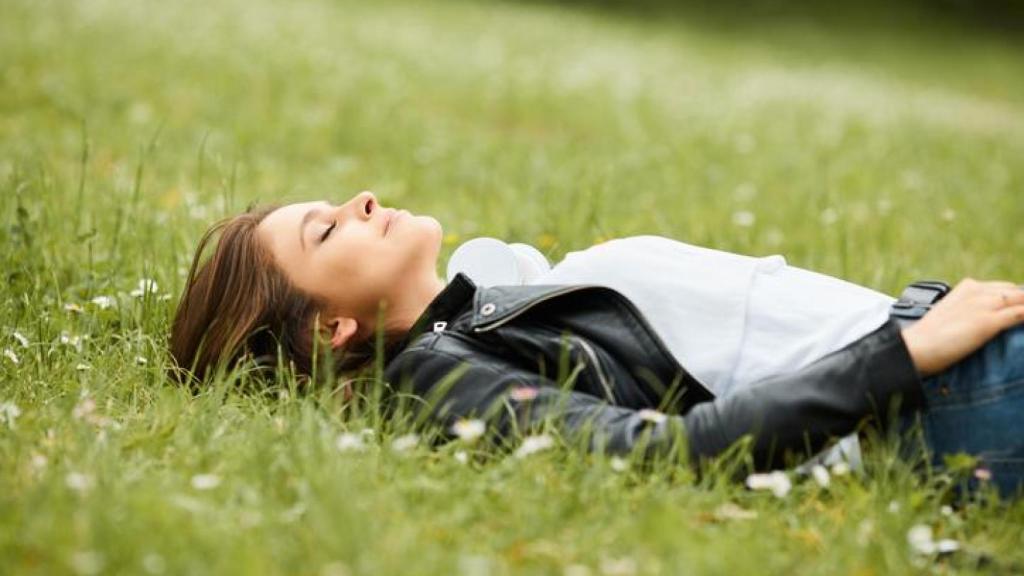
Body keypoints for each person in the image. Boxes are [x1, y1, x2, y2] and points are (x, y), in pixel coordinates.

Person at [169, 191, 1024, 498]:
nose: (359, 198)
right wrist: (904, 352)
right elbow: (675, 452)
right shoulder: (436, 381)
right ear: (331, 330)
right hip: (938, 397)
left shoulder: (488, 305)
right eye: (325, 231)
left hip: (958, 354)